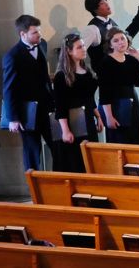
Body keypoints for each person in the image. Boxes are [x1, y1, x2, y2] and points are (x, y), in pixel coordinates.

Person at [0, 14, 54, 172]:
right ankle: (35, 191)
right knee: (32, 152)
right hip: (28, 112)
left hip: (46, 107)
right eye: (35, 33)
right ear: (22, 34)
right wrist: (13, 118)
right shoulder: (12, 56)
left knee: (57, 145)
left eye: (39, 31)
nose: (39, 35)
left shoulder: (42, 45)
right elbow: (8, 89)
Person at [52, 33, 103, 173]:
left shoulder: (87, 71)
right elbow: (60, 106)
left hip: (87, 118)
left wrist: (98, 116)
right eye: (79, 47)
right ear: (69, 51)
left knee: (90, 158)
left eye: (84, 46)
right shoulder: (61, 76)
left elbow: (89, 98)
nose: (84, 49)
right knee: (75, 160)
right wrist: (65, 131)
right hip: (72, 121)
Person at [96, 28, 139, 145]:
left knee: (136, 135)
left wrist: (137, 55)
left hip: (132, 101)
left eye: (122, 38)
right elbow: (104, 93)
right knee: (121, 138)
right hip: (116, 104)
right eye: (116, 41)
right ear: (110, 45)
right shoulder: (105, 62)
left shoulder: (130, 59)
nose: (121, 42)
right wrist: (109, 117)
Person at [80, 0, 118, 65]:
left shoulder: (112, 22)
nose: (107, 4)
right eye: (102, 3)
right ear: (95, 8)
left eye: (106, 0)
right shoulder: (92, 28)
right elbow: (78, 52)